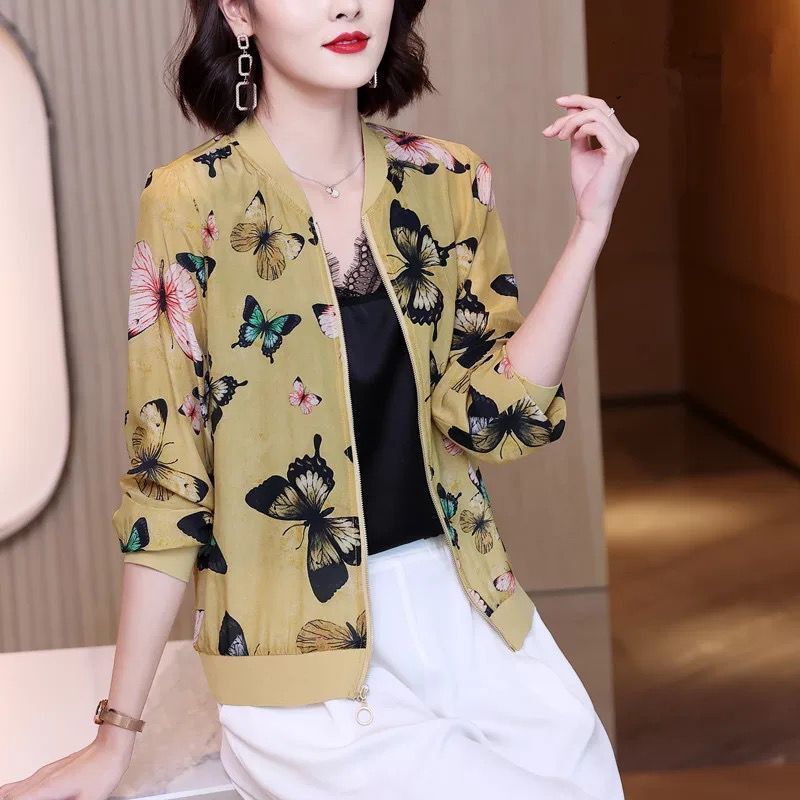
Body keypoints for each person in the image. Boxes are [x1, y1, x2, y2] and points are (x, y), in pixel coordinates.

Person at [0, 1, 638, 799]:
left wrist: (589, 228)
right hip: (296, 660)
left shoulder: (447, 179)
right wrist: (113, 737)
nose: (346, 4)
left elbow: (490, 421)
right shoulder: (190, 201)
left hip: (473, 615)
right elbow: (167, 484)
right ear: (239, 12)